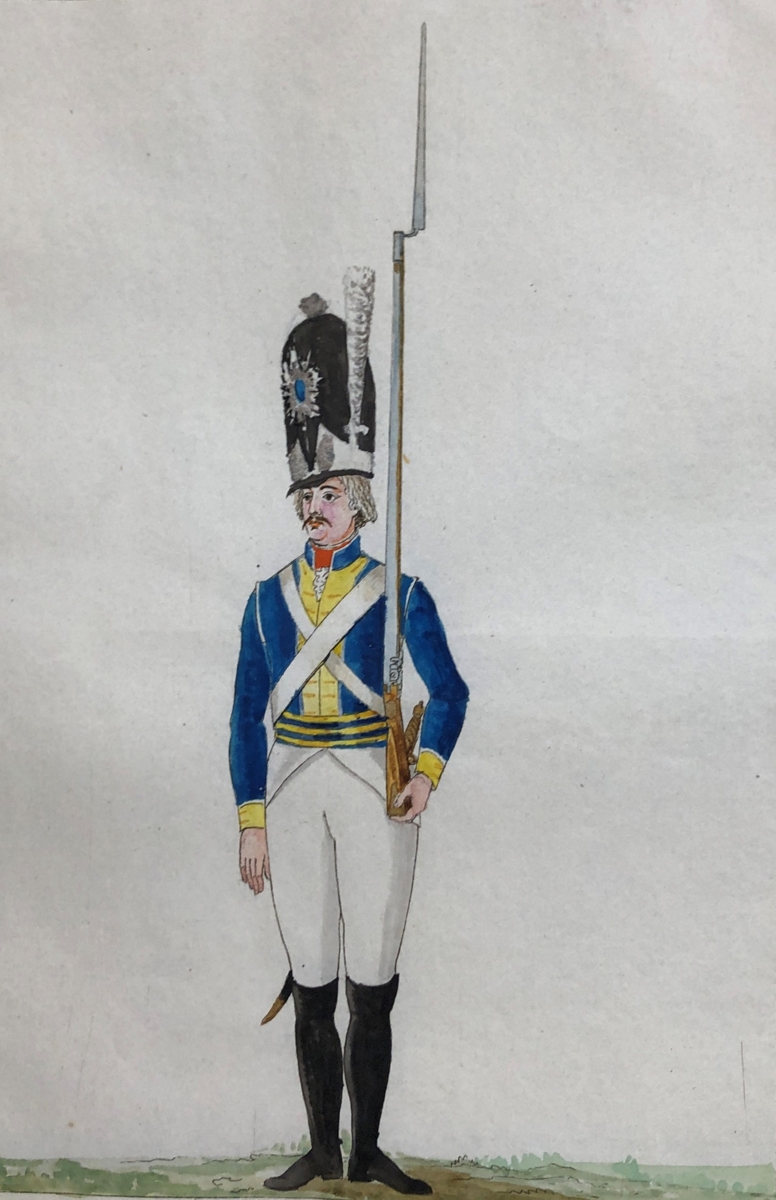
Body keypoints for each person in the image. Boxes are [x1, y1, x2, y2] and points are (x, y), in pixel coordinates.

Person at [229, 276, 468, 1195]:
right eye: (307, 492)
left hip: (375, 785)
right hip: (294, 787)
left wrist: (426, 774)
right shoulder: (265, 602)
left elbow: (450, 692)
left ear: (359, 499)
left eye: (329, 491)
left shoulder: (399, 593)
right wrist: (252, 818)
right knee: (310, 979)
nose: (313, 507)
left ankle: (366, 1151)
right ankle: (322, 1153)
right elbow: (245, 716)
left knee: (373, 984)